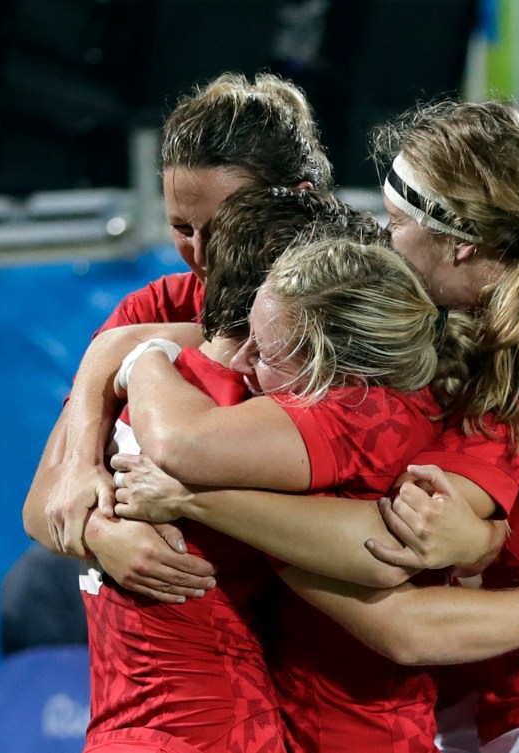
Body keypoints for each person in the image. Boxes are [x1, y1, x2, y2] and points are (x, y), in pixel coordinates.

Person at [111, 100, 519, 753]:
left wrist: (186, 488)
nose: (380, 238)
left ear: (463, 244)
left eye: (396, 222)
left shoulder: (510, 374)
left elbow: (395, 580)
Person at [77, 185, 379, 753]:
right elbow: (380, 559)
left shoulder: (142, 381)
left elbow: (49, 511)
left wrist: (140, 354)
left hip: (124, 724)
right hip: (218, 729)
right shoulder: (261, 417)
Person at [23, 71, 334, 585]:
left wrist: (136, 350)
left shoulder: (359, 305)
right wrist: (103, 534)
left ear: (296, 200)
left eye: (227, 225)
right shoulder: (158, 305)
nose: (203, 254)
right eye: (182, 228)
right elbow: (41, 507)